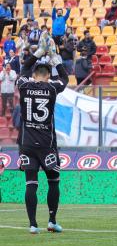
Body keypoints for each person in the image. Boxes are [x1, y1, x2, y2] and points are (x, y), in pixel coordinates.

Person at [17, 32, 69, 234]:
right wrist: (55, 58)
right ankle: (51, 220)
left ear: (34, 74)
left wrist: (38, 52)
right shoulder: (52, 87)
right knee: (53, 180)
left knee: (31, 183)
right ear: (47, 75)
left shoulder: (24, 85)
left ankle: (32, 224)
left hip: (27, 144)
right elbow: (64, 78)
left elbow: (23, 68)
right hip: (47, 145)